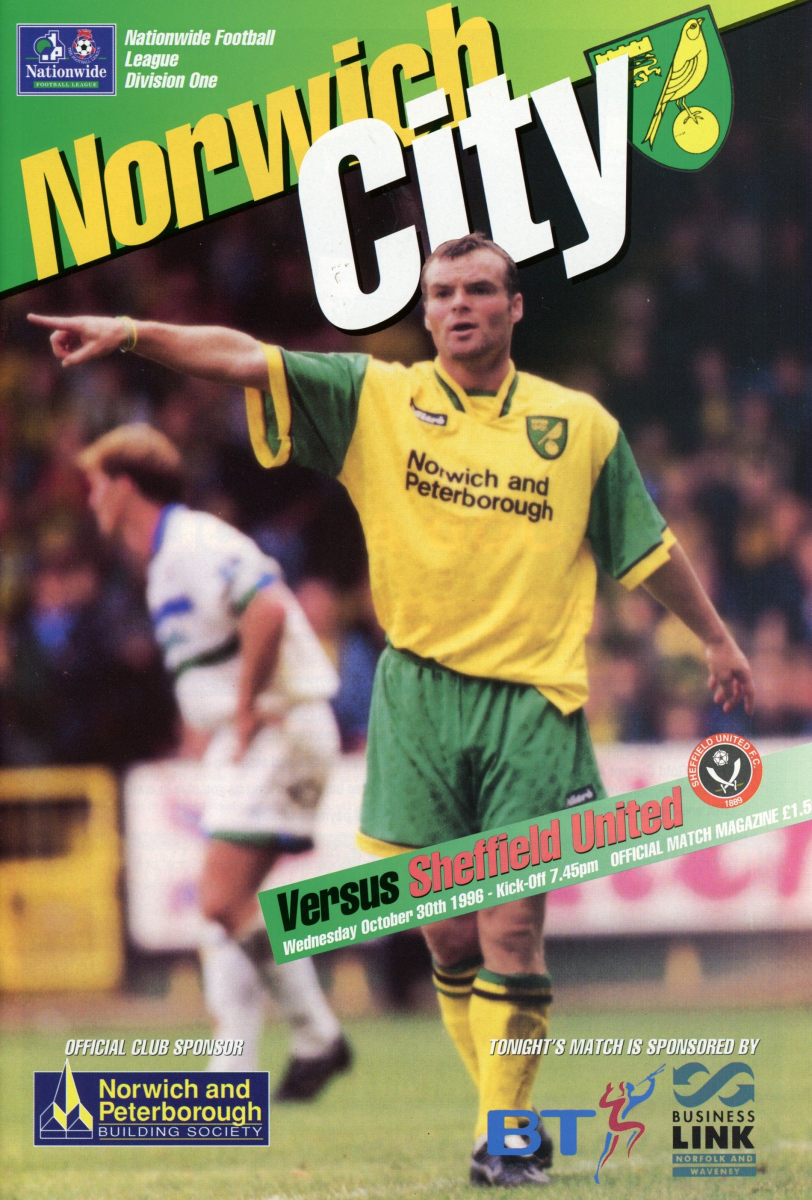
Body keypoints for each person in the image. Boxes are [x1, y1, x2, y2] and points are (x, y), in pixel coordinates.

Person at [30, 231, 754, 1186]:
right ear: (426, 312)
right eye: (442, 293)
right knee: (447, 934)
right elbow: (245, 357)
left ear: (515, 307)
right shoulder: (378, 397)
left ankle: (504, 1139)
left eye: (479, 290)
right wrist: (130, 331)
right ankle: (506, 1116)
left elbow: (647, 549)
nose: (459, 306)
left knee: (509, 927)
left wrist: (715, 637)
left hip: (534, 704)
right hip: (417, 702)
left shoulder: (579, 426)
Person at [73, 423, 351, 1101]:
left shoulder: (194, 543)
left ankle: (312, 1036)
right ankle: (249, 1061)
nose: (91, 500)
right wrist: (214, 719)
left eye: (97, 485)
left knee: (221, 900)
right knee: (221, 910)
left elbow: (267, 612)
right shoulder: (166, 558)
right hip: (249, 735)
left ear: (125, 485)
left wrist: (248, 704)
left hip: (279, 727)